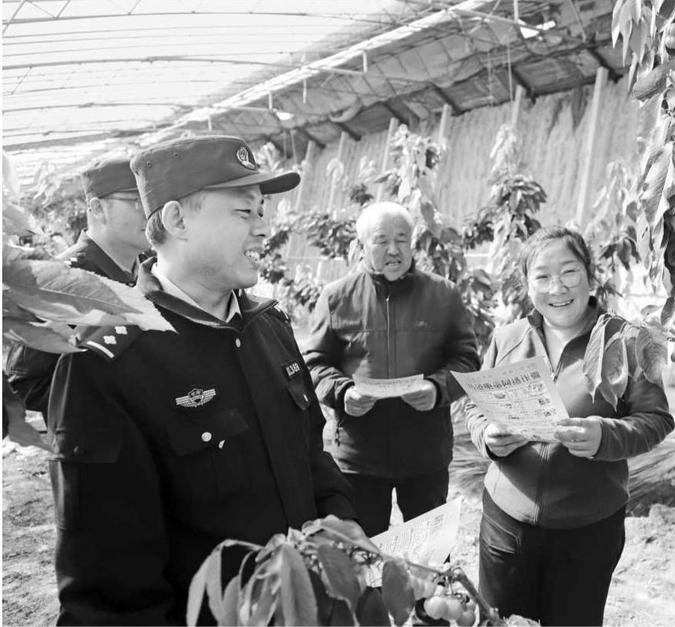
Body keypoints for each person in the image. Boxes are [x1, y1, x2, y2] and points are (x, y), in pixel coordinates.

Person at [46, 135, 372, 625]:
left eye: (261, 210)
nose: (264, 228)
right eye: (244, 212)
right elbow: (111, 591)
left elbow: (310, 456)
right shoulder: (106, 364)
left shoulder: (269, 326)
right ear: (177, 220)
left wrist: (342, 523)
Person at [465, 226, 674, 626]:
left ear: (590, 276)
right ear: (527, 285)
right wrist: (487, 436)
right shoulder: (507, 339)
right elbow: (476, 406)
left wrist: (605, 436)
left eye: (569, 272)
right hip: (506, 524)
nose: (556, 287)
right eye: (542, 276)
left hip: (587, 529)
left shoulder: (627, 341)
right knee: (499, 622)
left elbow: (656, 419)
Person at [301, 201, 481, 536]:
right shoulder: (336, 297)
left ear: (413, 245)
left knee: (429, 551)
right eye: (381, 240)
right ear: (362, 246)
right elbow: (314, 364)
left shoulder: (443, 294)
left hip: (425, 452)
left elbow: (467, 359)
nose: (394, 250)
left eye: (402, 240)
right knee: (364, 550)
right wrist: (343, 392)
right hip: (359, 455)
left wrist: (437, 388)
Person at [5, 156, 149, 414]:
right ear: (97, 208)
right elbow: (26, 386)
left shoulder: (153, 270)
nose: (149, 211)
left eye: (152, 199)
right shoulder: (62, 282)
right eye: (136, 201)